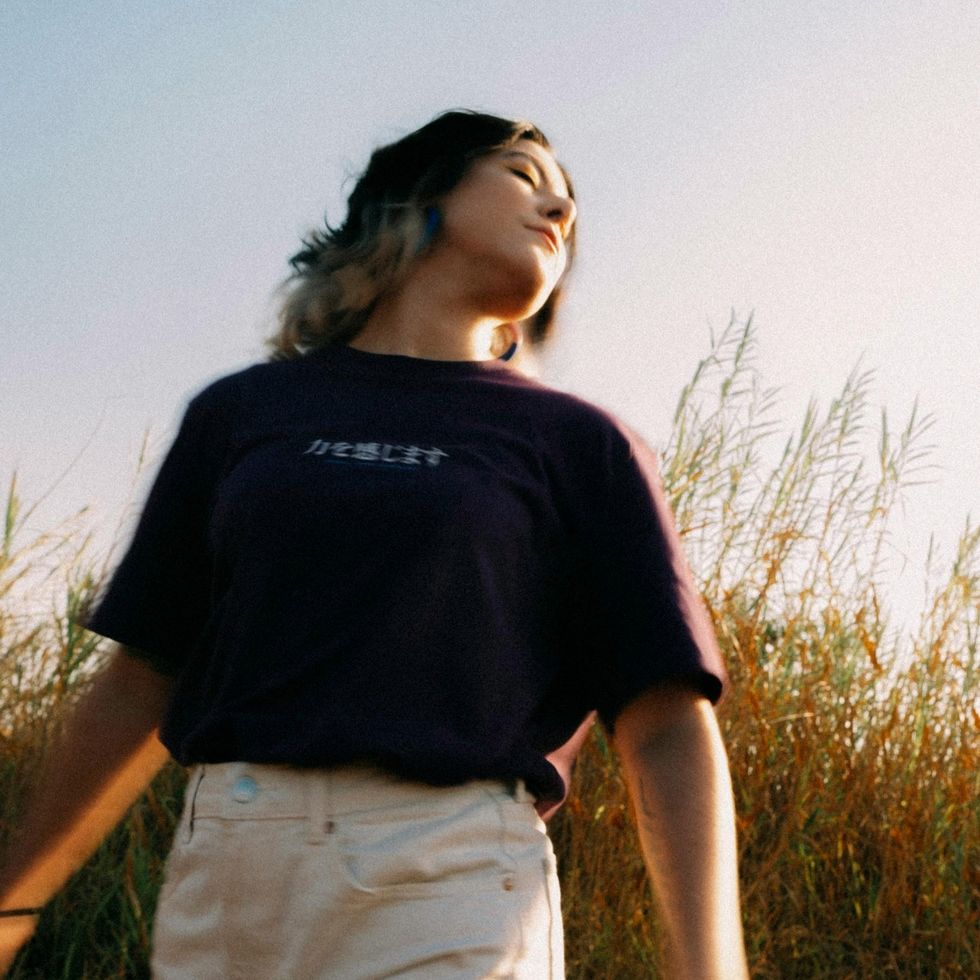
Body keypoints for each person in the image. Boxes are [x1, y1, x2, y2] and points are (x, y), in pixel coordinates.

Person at [0, 110, 748, 979]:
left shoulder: (577, 442)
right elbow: (141, 678)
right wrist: (13, 902)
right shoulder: (244, 413)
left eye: (568, 201)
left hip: (451, 875)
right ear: (417, 198)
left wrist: (710, 967)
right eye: (522, 173)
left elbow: (664, 723)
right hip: (230, 869)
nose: (560, 209)